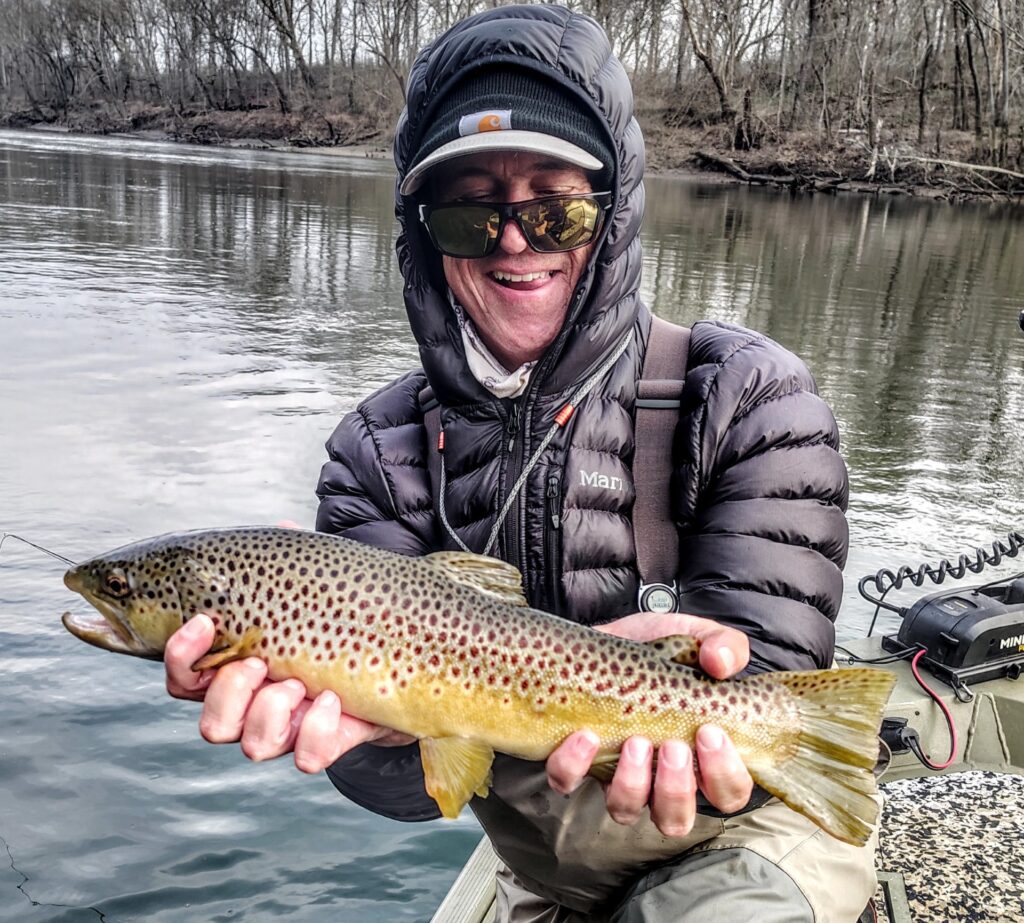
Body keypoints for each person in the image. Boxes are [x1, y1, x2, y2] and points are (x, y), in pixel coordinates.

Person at [164, 5, 878, 921]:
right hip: (543, 875)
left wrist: (681, 699)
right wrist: (367, 724)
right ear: (425, 234)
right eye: (469, 214)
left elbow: (770, 677)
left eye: (556, 207)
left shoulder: (745, 395)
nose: (514, 241)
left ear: (611, 212)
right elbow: (417, 791)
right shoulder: (376, 453)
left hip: (753, 839)